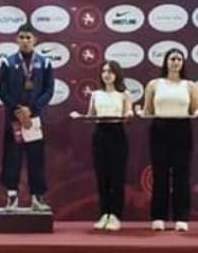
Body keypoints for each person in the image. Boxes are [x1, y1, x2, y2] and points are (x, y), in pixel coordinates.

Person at [70, 61, 133, 231]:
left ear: (117, 74)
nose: (107, 74)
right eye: (104, 71)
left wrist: (129, 114)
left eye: (110, 71)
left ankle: (115, 215)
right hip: (100, 135)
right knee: (102, 176)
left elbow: (128, 112)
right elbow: (90, 115)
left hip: (117, 134)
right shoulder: (96, 94)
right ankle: (104, 213)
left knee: (117, 176)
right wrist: (79, 115)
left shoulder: (124, 94)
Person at [0, 23, 54, 211]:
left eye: (28, 37)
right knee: (12, 159)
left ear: (35, 39)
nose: (25, 41)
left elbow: (49, 90)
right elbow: (2, 91)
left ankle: (37, 198)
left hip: (34, 120)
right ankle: (12, 197)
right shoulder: (8, 62)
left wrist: (32, 109)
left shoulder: (44, 63)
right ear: (16, 39)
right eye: (21, 37)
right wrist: (18, 109)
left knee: (36, 158)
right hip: (14, 119)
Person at [141, 48, 198, 232]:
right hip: (160, 129)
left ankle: (181, 217)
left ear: (183, 63)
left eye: (179, 59)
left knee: (182, 174)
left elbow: (194, 109)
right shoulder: (154, 84)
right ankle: (158, 216)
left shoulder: (190, 85)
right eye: (172, 59)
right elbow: (148, 110)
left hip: (182, 128)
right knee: (160, 174)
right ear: (166, 61)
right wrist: (138, 112)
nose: (175, 62)